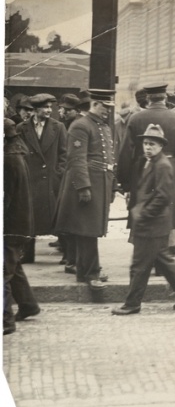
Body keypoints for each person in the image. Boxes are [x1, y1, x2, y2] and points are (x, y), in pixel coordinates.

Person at [112, 125, 175, 315]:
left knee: (139, 266)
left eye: (152, 144)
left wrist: (144, 214)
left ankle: (132, 303)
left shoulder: (162, 165)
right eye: (145, 143)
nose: (147, 147)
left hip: (153, 223)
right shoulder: (150, 162)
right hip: (154, 223)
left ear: (161, 146)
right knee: (164, 262)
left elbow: (163, 196)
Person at [118, 82, 175, 254]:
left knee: (145, 209)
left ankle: (146, 254)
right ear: (165, 98)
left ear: (148, 99)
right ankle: (163, 257)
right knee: (167, 212)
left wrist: (125, 183)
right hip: (171, 170)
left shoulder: (135, 118)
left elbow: (125, 153)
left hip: (142, 170)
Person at [53, 89, 116, 292]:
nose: (108, 111)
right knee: (87, 230)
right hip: (88, 184)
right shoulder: (81, 125)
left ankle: (84, 270)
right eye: (105, 107)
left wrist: (112, 185)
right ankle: (91, 273)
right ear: (95, 104)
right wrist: (83, 187)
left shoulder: (101, 125)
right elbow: (76, 158)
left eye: (109, 108)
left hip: (100, 182)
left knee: (89, 229)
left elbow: (108, 159)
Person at [17, 93, 67, 264]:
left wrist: (59, 173)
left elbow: (64, 154)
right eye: (45, 107)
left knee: (58, 219)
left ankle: (68, 255)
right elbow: (18, 154)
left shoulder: (58, 127)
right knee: (28, 219)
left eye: (50, 107)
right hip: (30, 181)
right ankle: (27, 254)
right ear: (36, 110)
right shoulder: (22, 128)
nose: (48, 110)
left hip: (51, 181)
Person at [4, 119, 41, 335]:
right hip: (21, 223)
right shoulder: (17, 155)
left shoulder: (8, 160)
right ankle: (28, 305)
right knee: (13, 267)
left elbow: (6, 197)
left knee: (3, 273)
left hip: (10, 224)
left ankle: (6, 321)